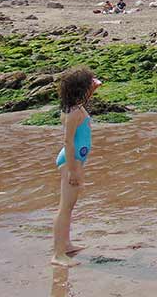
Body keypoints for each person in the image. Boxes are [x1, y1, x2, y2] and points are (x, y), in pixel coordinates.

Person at [51, 66, 102, 267]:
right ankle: (57, 254)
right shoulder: (73, 114)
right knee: (65, 207)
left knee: (70, 207)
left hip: (76, 160)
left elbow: (93, 87)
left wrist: (91, 86)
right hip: (70, 161)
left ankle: (67, 244)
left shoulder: (76, 106)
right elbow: (68, 142)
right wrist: (73, 170)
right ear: (80, 90)